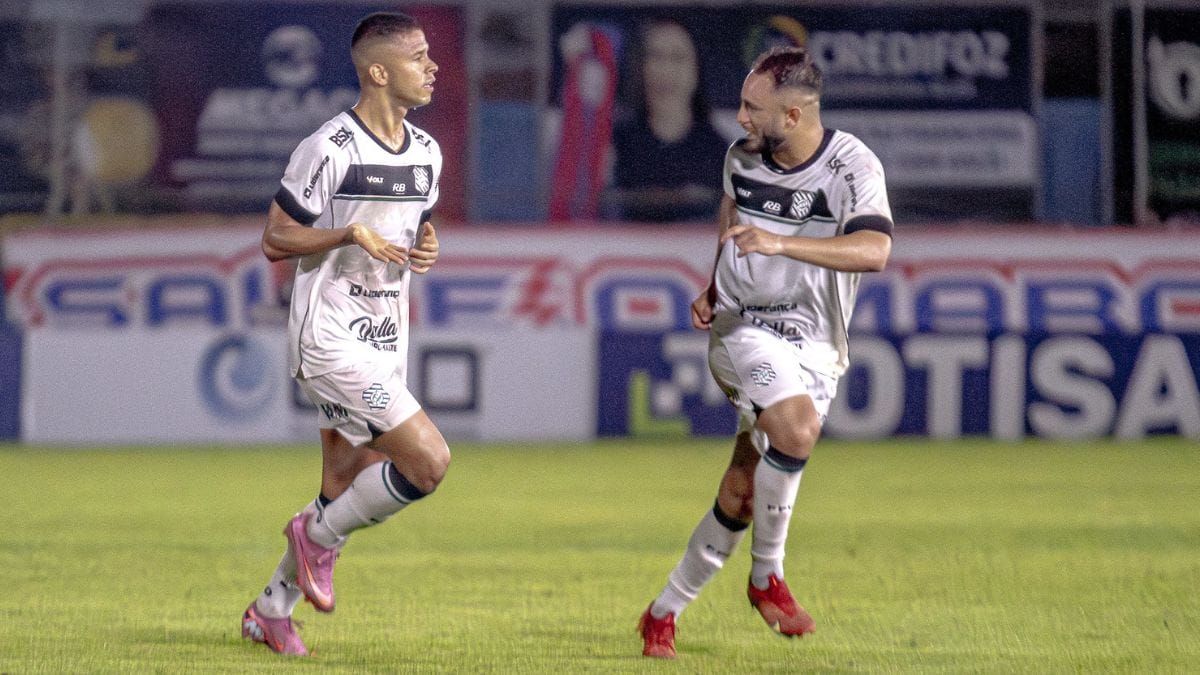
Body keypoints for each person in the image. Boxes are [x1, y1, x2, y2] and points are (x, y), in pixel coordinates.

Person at [637, 46, 894, 658]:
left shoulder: (852, 166)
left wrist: (782, 244)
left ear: (796, 116)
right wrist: (714, 283)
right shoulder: (742, 156)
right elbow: (731, 216)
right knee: (797, 429)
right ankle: (767, 578)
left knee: (743, 493)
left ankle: (662, 613)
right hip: (743, 329)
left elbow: (874, 252)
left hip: (817, 345)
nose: (742, 118)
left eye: (754, 108)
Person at [239, 12, 449, 657]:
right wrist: (345, 233)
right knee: (428, 462)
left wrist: (426, 241)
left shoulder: (426, 151)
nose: (432, 66)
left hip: (386, 332)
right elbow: (276, 238)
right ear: (379, 72)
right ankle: (314, 537)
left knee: (344, 479)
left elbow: (414, 218)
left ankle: (270, 610)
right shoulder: (329, 147)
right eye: (418, 57)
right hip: (327, 332)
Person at [607, 19, 728, 222]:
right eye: (656, 57)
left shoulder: (719, 152)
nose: (666, 70)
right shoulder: (615, 144)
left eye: (677, 58)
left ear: (696, 70)